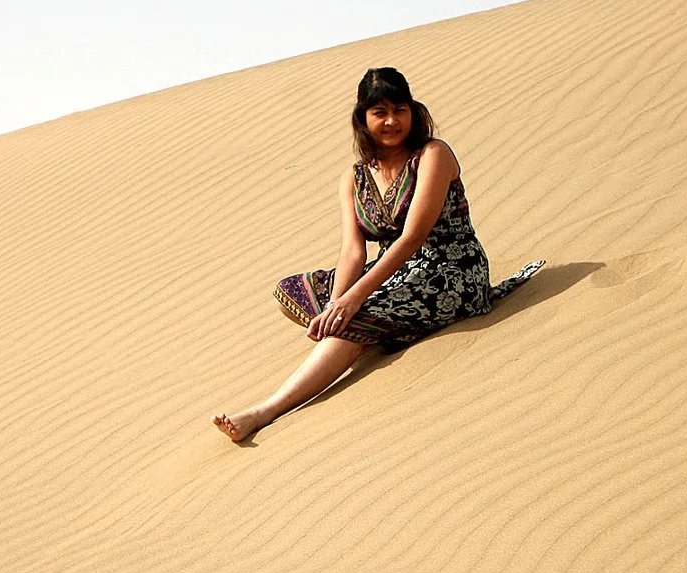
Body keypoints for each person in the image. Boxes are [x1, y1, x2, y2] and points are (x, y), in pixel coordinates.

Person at [213, 67, 538, 443]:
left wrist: (353, 301)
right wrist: (336, 304)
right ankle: (373, 328)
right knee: (294, 292)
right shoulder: (354, 177)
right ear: (362, 120)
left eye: (400, 109)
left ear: (413, 112)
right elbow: (352, 251)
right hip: (394, 274)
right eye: (379, 112)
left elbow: (413, 237)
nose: (391, 121)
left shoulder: (433, 154)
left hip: (452, 271)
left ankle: (262, 411)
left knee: (357, 316)